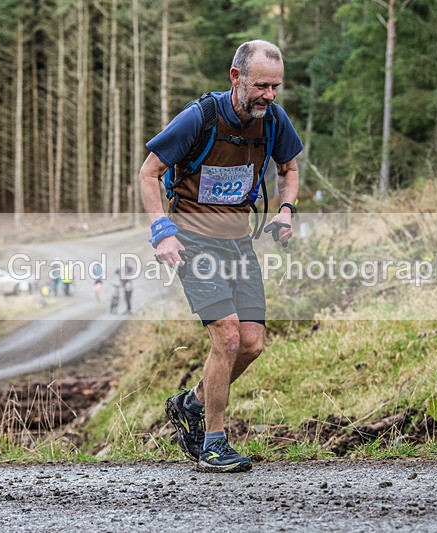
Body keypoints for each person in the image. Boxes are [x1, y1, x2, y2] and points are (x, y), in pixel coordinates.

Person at [138, 40, 302, 473]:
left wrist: (286, 210)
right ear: (236, 77)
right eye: (261, 85)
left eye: (276, 86)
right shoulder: (200, 117)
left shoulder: (273, 120)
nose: (269, 95)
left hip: (238, 243)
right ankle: (213, 443)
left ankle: (191, 404)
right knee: (227, 338)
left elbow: (289, 167)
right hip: (194, 243)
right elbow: (149, 172)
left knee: (251, 344)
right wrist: (162, 231)